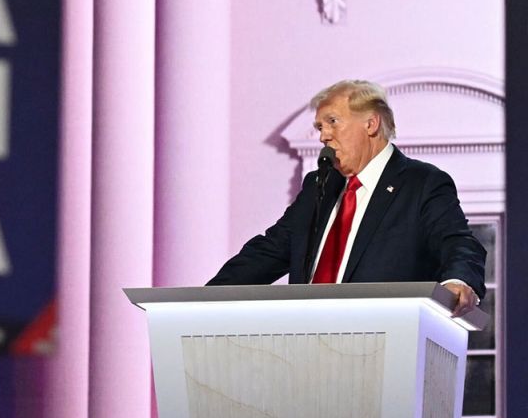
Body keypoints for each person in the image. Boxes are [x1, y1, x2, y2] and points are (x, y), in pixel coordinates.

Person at [208, 80, 485, 317]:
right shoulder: (319, 186)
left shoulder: (421, 182)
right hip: (305, 345)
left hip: (384, 344)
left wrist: (458, 281)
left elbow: (458, 242)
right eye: (319, 127)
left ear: (371, 124)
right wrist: (203, 298)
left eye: (332, 122)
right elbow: (268, 252)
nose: (323, 136)